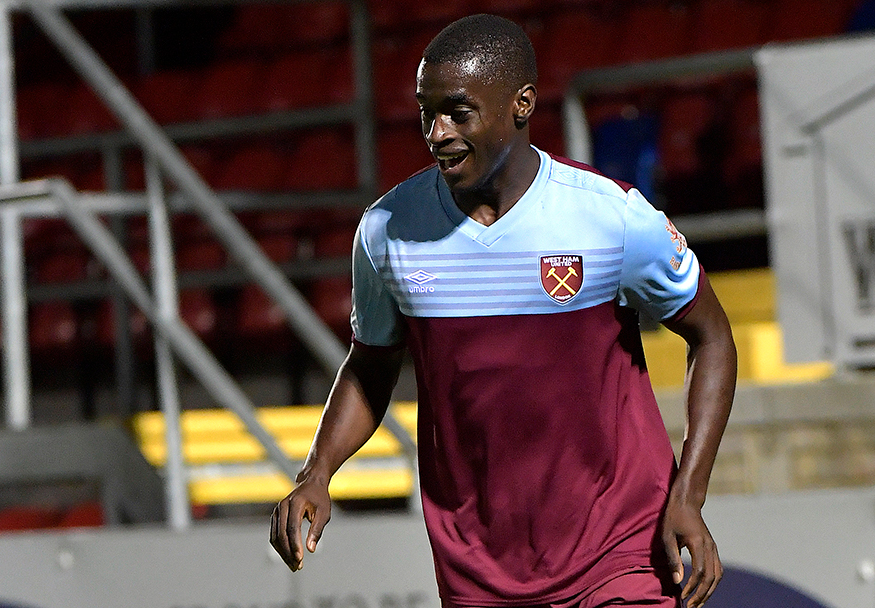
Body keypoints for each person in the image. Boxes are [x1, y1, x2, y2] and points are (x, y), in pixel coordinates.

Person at [271, 14, 736, 608]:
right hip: (479, 568)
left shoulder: (609, 217)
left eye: (458, 113)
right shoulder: (387, 230)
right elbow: (371, 364)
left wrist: (688, 494)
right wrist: (317, 471)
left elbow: (713, 337)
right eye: (425, 112)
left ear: (521, 104)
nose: (436, 132)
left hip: (620, 548)